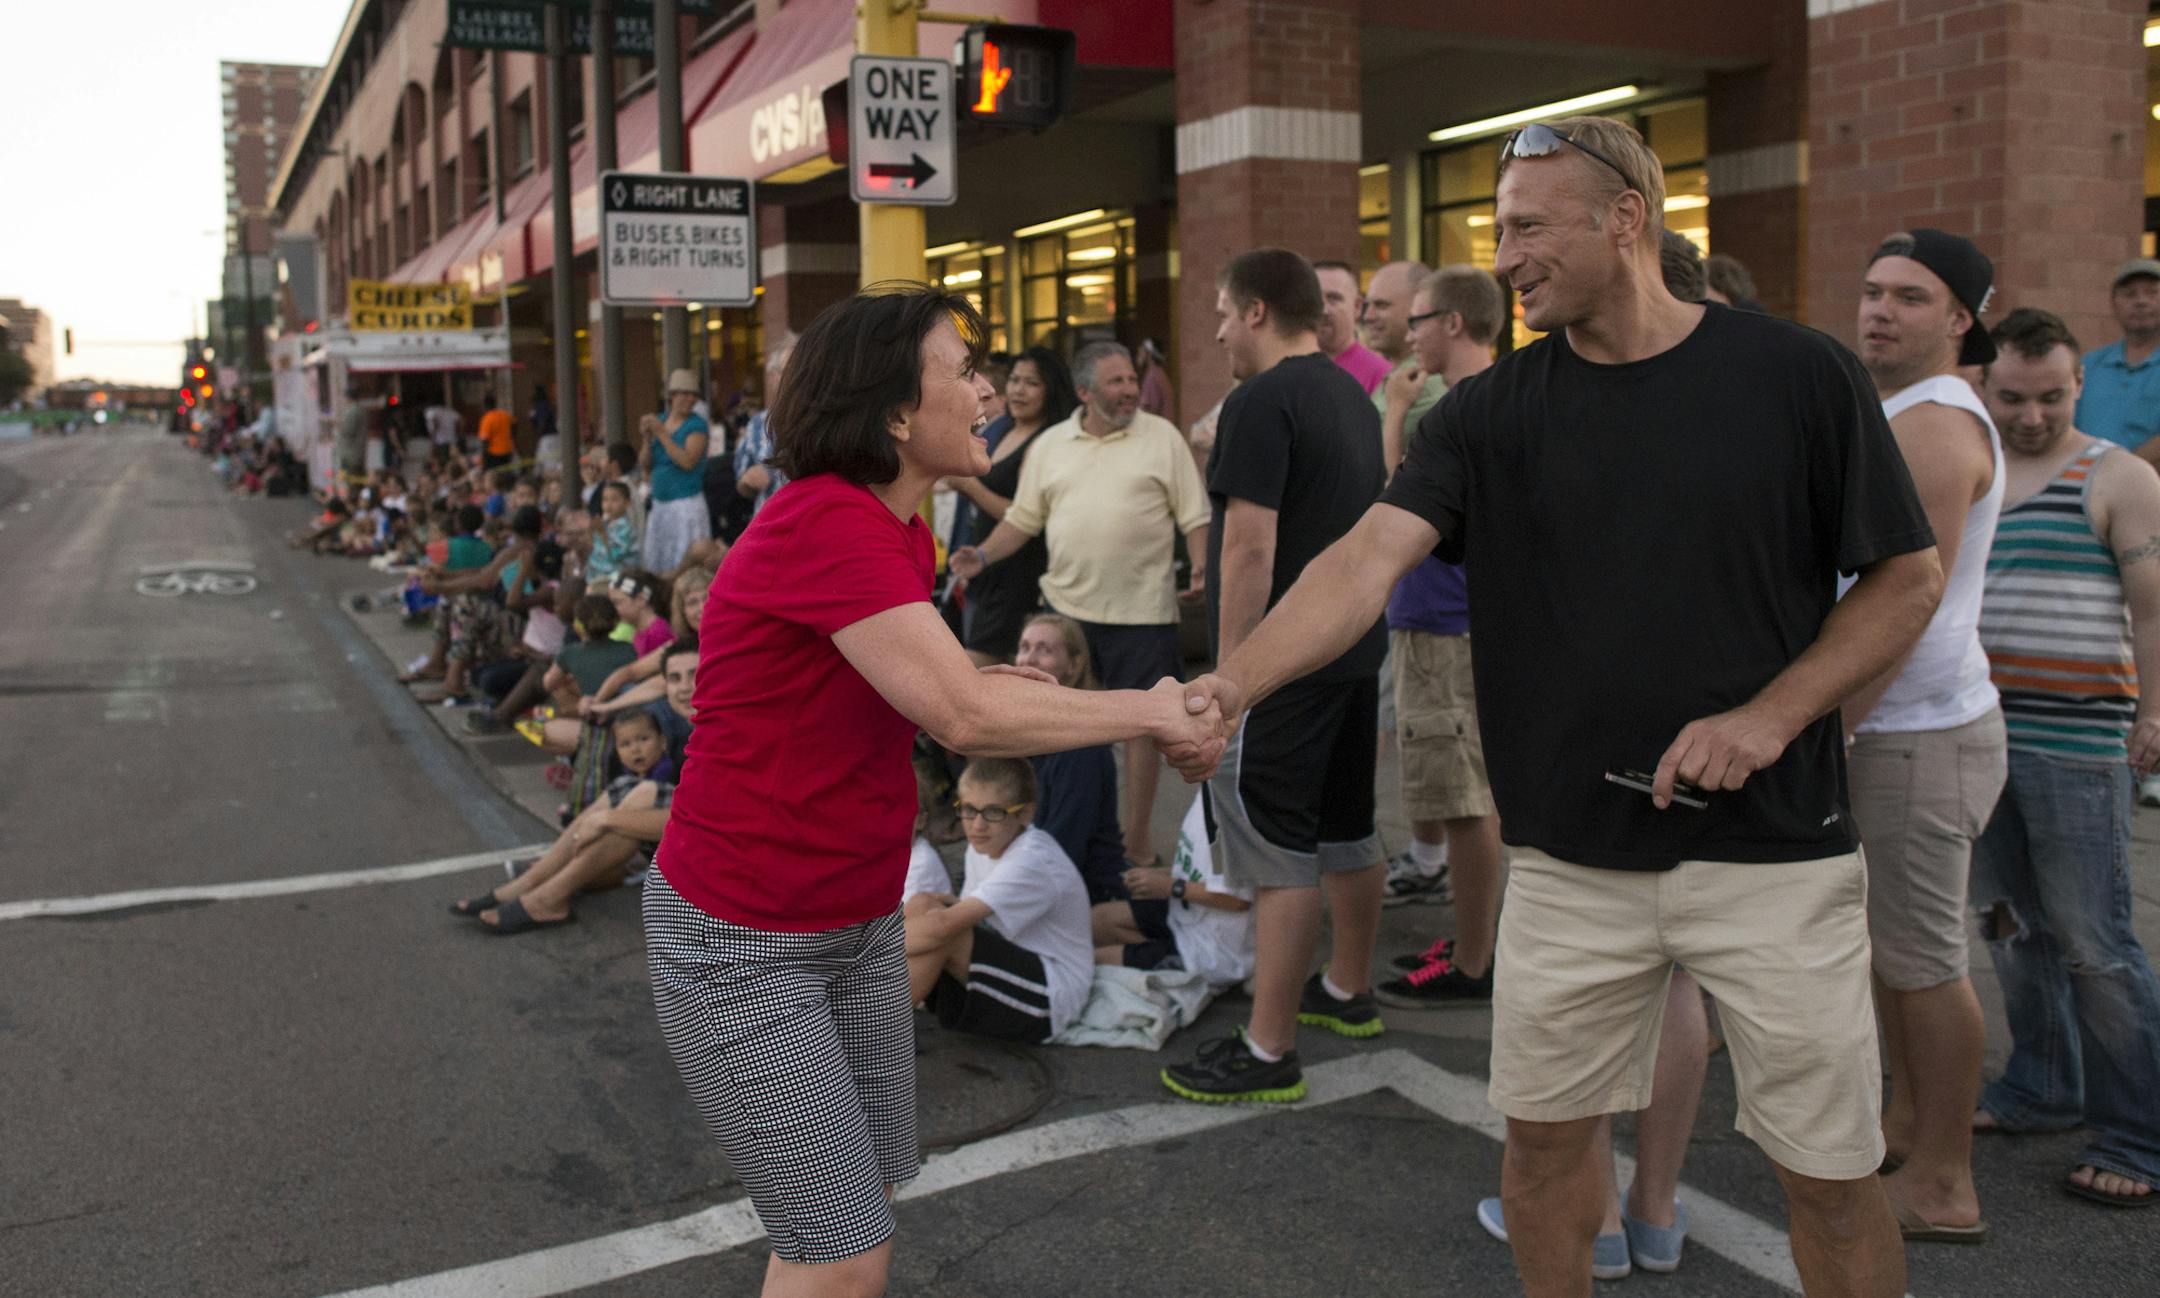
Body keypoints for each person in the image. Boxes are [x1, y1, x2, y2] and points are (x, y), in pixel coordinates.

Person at [1165, 115, 1941, 1296]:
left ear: (1624, 218)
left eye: (1527, 226)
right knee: (1539, 1155)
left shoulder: (1796, 375)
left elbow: (1906, 576)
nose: (1505, 253)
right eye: (1498, 229)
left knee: (1826, 1175)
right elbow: (1361, 562)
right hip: (1571, 860)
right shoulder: (1485, 412)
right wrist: (1231, 684)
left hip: (1774, 855)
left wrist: (1771, 717)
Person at [643, 283, 1219, 1297]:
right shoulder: (829, 521)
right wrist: (1153, 708)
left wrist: (997, 680)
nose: (989, 387)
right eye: (965, 369)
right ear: (897, 412)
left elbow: (923, 685)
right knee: (841, 1243)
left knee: (853, 1206)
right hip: (746, 937)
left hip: (851, 921)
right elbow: (963, 719)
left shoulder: (893, 527)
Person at [1160, 247, 1391, 1104]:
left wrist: (1232, 676)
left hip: (1284, 663)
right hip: (1351, 650)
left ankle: (1267, 1050)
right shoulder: (1349, 394)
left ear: (1257, 310)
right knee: (1347, 830)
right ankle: (1348, 991)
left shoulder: (1259, 402)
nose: (1218, 329)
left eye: (1223, 311)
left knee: (1280, 850)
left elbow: (1250, 549)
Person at [1841, 227, 2008, 1245]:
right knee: (1893, 953)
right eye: (1871, 290)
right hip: (1899, 729)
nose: (1879, 309)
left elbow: (1905, 603)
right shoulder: (1903, 410)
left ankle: (1946, 1177)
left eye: (1909, 296)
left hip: (1916, 733)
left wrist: (1833, 725)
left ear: (1959, 320)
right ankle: (1908, 1120)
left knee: (1925, 957)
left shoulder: (1936, 426)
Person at [1974, 306, 2160, 1209]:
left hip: (2079, 746)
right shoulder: (1976, 466)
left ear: (2078, 386)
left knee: (2096, 945)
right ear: (1986, 384)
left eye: (2051, 397)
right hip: (1981, 742)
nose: (2032, 415)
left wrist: (2154, 713)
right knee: (2012, 931)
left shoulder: (2118, 476)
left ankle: (2138, 1135)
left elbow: (2155, 608)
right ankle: (2041, 1089)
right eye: (2013, 396)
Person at [950, 341, 1211, 872]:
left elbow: (1194, 515)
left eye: (1130, 381)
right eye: (1115, 382)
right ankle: (1054, 838)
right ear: (1085, 392)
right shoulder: (1052, 445)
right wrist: (982, 554)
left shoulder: (1162, 437)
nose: (1130, 390)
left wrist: (1203, 566)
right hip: (1067, 614)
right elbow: (1024, 519)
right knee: (1055, 726)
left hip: (1143, 616)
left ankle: (1134, 845)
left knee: (1144, 730)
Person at [1370, 264, 1508, 998]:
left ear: (1454, 323)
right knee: (1459, 798)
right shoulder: (1480, 399)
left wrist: (1394, 413)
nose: (1409, 333)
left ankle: (1474, 963)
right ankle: (1471, 942)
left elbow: (1403, 510)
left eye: (1419, 319)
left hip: (1444, 625)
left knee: (1462, 802)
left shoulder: (1458, 406)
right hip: (1445, 621)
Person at [904, 757, 1094, 1044]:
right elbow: (958, 911)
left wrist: (861, 951)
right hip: (1015, 962)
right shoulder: (984, 844)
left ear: (1025, 814)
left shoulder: (1032, 860)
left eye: (994, 812)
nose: (977, 825)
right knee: (924, 902)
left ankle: (870, 1034)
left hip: (1052, 999)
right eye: (969, 810)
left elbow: (944, 928)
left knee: (945, 932)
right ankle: (870, 1016)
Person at [452, 708, 677, 933]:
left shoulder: (666, 769)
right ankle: (532, 881)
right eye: (626, 744)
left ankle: (546, 892)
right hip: (654, 840)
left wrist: (602, 822)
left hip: (680, 835)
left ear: (662, 742)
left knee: (639, 791)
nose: (636, 749)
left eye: (644, 740)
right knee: (623, 788)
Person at [945, 348, 1077, 666]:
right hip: (984, 565)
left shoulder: (1050, 441)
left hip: (1019, 573)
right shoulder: (1001, 427)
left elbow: (1026, 515)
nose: (1018, 390)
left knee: (980, 664)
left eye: (1031, 383)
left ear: (1051, 389)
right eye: (1015, 380)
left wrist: (969, 487)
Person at [1091, 786, 1255, 988]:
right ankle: (1156, 955)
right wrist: (1165, 874)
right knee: (1097, 920)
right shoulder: (1208, 794)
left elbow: (1240, 901)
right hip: (1184, 917)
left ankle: (1173, 966)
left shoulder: (1238, 819)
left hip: (1212, 952)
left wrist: (1172, 886)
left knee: (1095, 960)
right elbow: (1204, 869)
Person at [1015, 612, 1127, 903]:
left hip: (1078, 893)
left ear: (1074, 666)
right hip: (1027, 877)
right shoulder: (1019, 731)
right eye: (1025, 647)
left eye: (1046, 650)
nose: (1029, 659)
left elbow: (1062, 849)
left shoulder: (1081, 746)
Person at [2074, 258, 2160, 469]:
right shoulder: (2088, 366)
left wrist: (2119, 471)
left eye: (2152, 292)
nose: (2141, 301)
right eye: (2129, 293)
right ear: (2113, 303)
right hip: (2083, 488)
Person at [641, 369, 711, 573]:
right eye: (685, 393)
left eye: (694, 395)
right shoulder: (661, 420)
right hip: (660, 505)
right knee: (658, 562)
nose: (691, 399)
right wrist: (647, 438)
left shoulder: (696, 425)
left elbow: (688, 461)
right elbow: (645, 464)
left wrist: (661, 434)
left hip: (685, 504)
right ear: (673, 395)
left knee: (685, 564)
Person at [734, 336, 795, 517]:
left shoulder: (826, 423)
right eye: (789, 371)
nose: (797, 378)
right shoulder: (757, 425)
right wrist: (748, 480)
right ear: (774, 377)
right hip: (770, 533)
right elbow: (741, 484)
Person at [1312, 260, 1391, 395]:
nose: (1323, 310)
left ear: (1357, 306)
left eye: (1333, 298)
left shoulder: (1380, 375)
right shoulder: (1283, 369)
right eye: (1314, 298)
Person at [1137, 338, 1176, 420]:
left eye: (1141, 351)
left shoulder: (1152, 377)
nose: (1138, 355)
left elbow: (1149, 409)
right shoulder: (1159, 373)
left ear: (1149, 354)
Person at [478, 392, 515, 471]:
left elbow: (485, 441)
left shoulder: (487, 419)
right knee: (506, 474)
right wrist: (511, 438)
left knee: (493, 477)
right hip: (507, 451)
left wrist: (483, 459)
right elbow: (514, 425)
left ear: (485, 405)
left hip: (494, 454)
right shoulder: (505, 415)